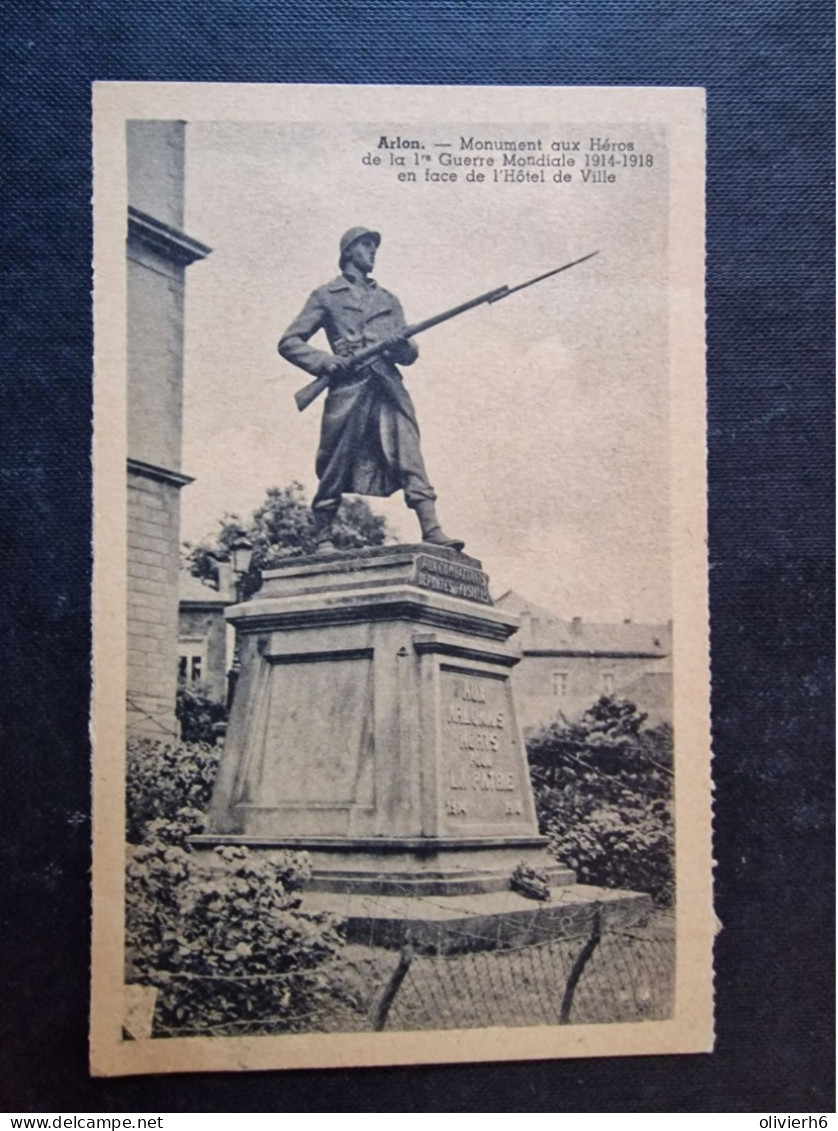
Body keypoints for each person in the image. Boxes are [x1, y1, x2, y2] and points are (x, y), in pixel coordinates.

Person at [279, 226, 464, 553]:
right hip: (348, 387)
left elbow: (409, 355)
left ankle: (432, 528)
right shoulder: (326, 295)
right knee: (336, 462)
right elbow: (290, 342)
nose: (373, 252)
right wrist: (326, 362)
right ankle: (322, 536)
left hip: (387, 386)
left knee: (409, 455)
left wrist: (399, 347)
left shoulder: (388, 300)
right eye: (366, 246)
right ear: (348, 251)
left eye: (374, 247)